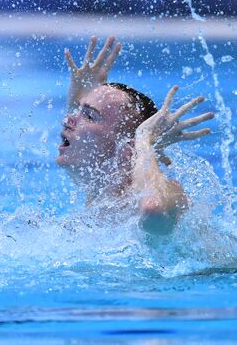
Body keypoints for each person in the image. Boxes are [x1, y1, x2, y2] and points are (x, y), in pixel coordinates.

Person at [59, 36, 215, 235]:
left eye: (89, 115)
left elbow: (153, 211)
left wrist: (144, 138)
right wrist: (79, 101)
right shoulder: (101, 191)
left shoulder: (171, 192)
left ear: (127, 146)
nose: (67, 120)